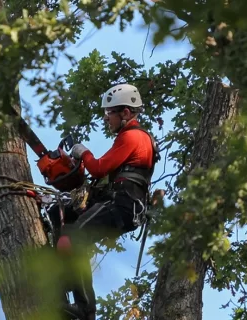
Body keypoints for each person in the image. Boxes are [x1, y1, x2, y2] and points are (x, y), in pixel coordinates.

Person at [49, 83, 160, 320]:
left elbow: (99, 168)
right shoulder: (131, 137)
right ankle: (64, 286)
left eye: (110, 112)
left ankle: (85, 309)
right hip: (121, 201)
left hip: (124, 203)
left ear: (126, 113)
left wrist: (83, 152)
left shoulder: (132, 136)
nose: (106, 117)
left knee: (74, 237)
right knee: (60, 215)